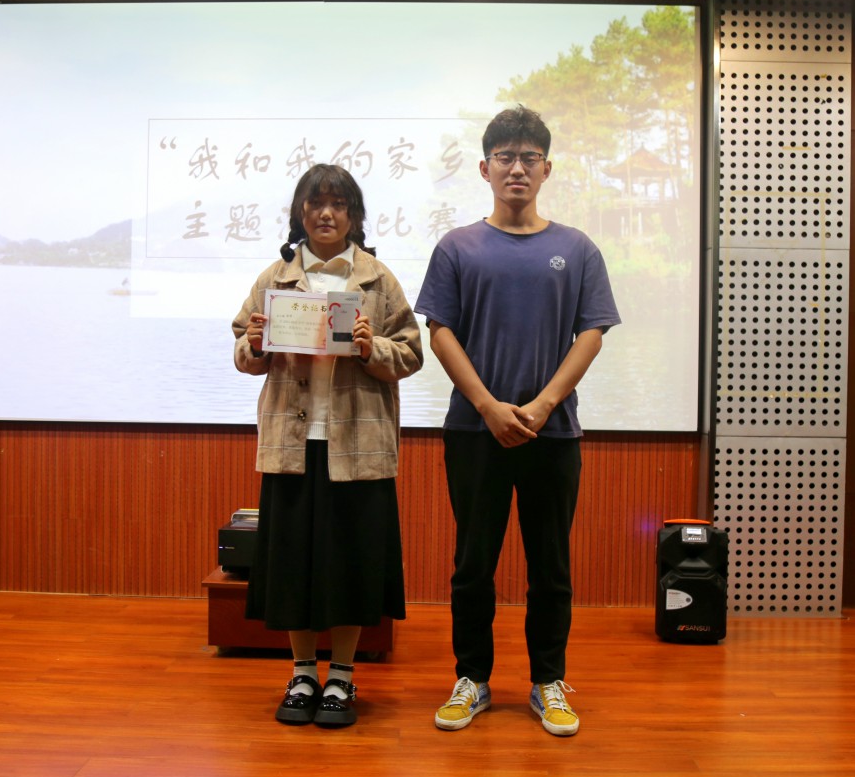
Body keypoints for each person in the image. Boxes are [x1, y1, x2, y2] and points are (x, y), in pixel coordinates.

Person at [414, 105, 620, 737]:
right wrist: (487, 405)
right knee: (473, 563)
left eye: (530, 157)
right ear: (485, 168)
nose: (517, 168)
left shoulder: (577, 249)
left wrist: (542, 405)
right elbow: (440, 332)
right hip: (474, 432)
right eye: (505, 157)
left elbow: (592, 333)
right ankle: (471, 679)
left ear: (547, 168)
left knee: (550, 566)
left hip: (551, 433)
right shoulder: (456, 247)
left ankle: (547, 682)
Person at [232, 163, 423, 727]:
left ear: (354, 216)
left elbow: (411, 354)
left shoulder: (378, 280)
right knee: (293, 566)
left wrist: (371, 347)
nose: (326, 214)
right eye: (316, 203)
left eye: (338, 204)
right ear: (300, 213)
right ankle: (301, 673)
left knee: (351, 566)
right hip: (293, 446)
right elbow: (243, 352)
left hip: (357, 446)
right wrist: (256, 342)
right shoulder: (276, 278)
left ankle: (340, 675)